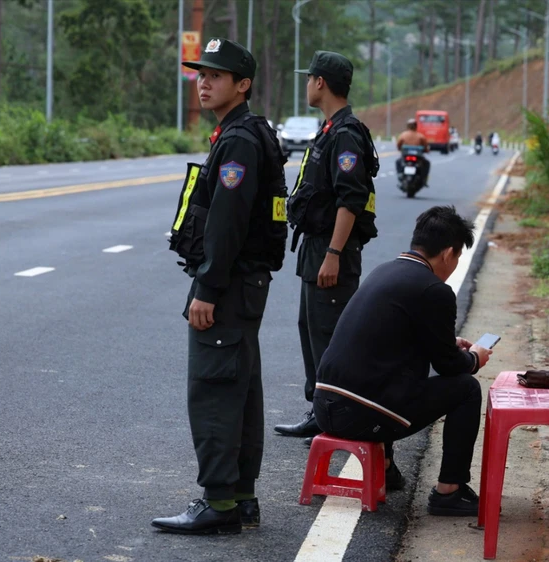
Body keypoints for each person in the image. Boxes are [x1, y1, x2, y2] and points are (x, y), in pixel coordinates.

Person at [154, 37, 288, 535]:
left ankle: (218, 504)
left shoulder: (237, 140)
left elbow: (227, 224)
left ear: (243, 84)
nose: (204, 82)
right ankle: (241, 496)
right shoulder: (251, 131)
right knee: (241, 390)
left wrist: (207, 288)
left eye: (215, 75)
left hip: (227, 285)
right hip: (246, 283)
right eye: (201, 74)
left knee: (213, 391)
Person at [313, 205, 493, 514]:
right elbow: (449, 366)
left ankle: (383, 466)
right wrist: (474, 358)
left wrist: (446, 343)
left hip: (324, 406)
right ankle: (449, 491)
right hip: (361, 416)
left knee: (387, 372)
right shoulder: (434, 289)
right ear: (449, 253)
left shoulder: (385, 270)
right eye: (457, 258)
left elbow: (392, 338)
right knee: (465, 388)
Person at [276, 51, 379, 443]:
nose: (306, 85)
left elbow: (350, 199)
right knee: (312, 330)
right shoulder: (331, 129)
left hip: (332, 250)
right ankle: (320, 413)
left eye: (309, 78)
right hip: (316, 246)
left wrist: (334, 254)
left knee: (330, 337)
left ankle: (341, 418)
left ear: (320, 82)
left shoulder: (346, 134)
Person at [396, 118, 431, 186]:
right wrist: (426, 150)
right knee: (427, 163)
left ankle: (400, 174)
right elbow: (426, 147)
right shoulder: (420, 136)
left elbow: (398, 145)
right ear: (416, 126)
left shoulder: (403, 135)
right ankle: (424, 179)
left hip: (407, 156)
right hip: (417, 157)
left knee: (398, 161)